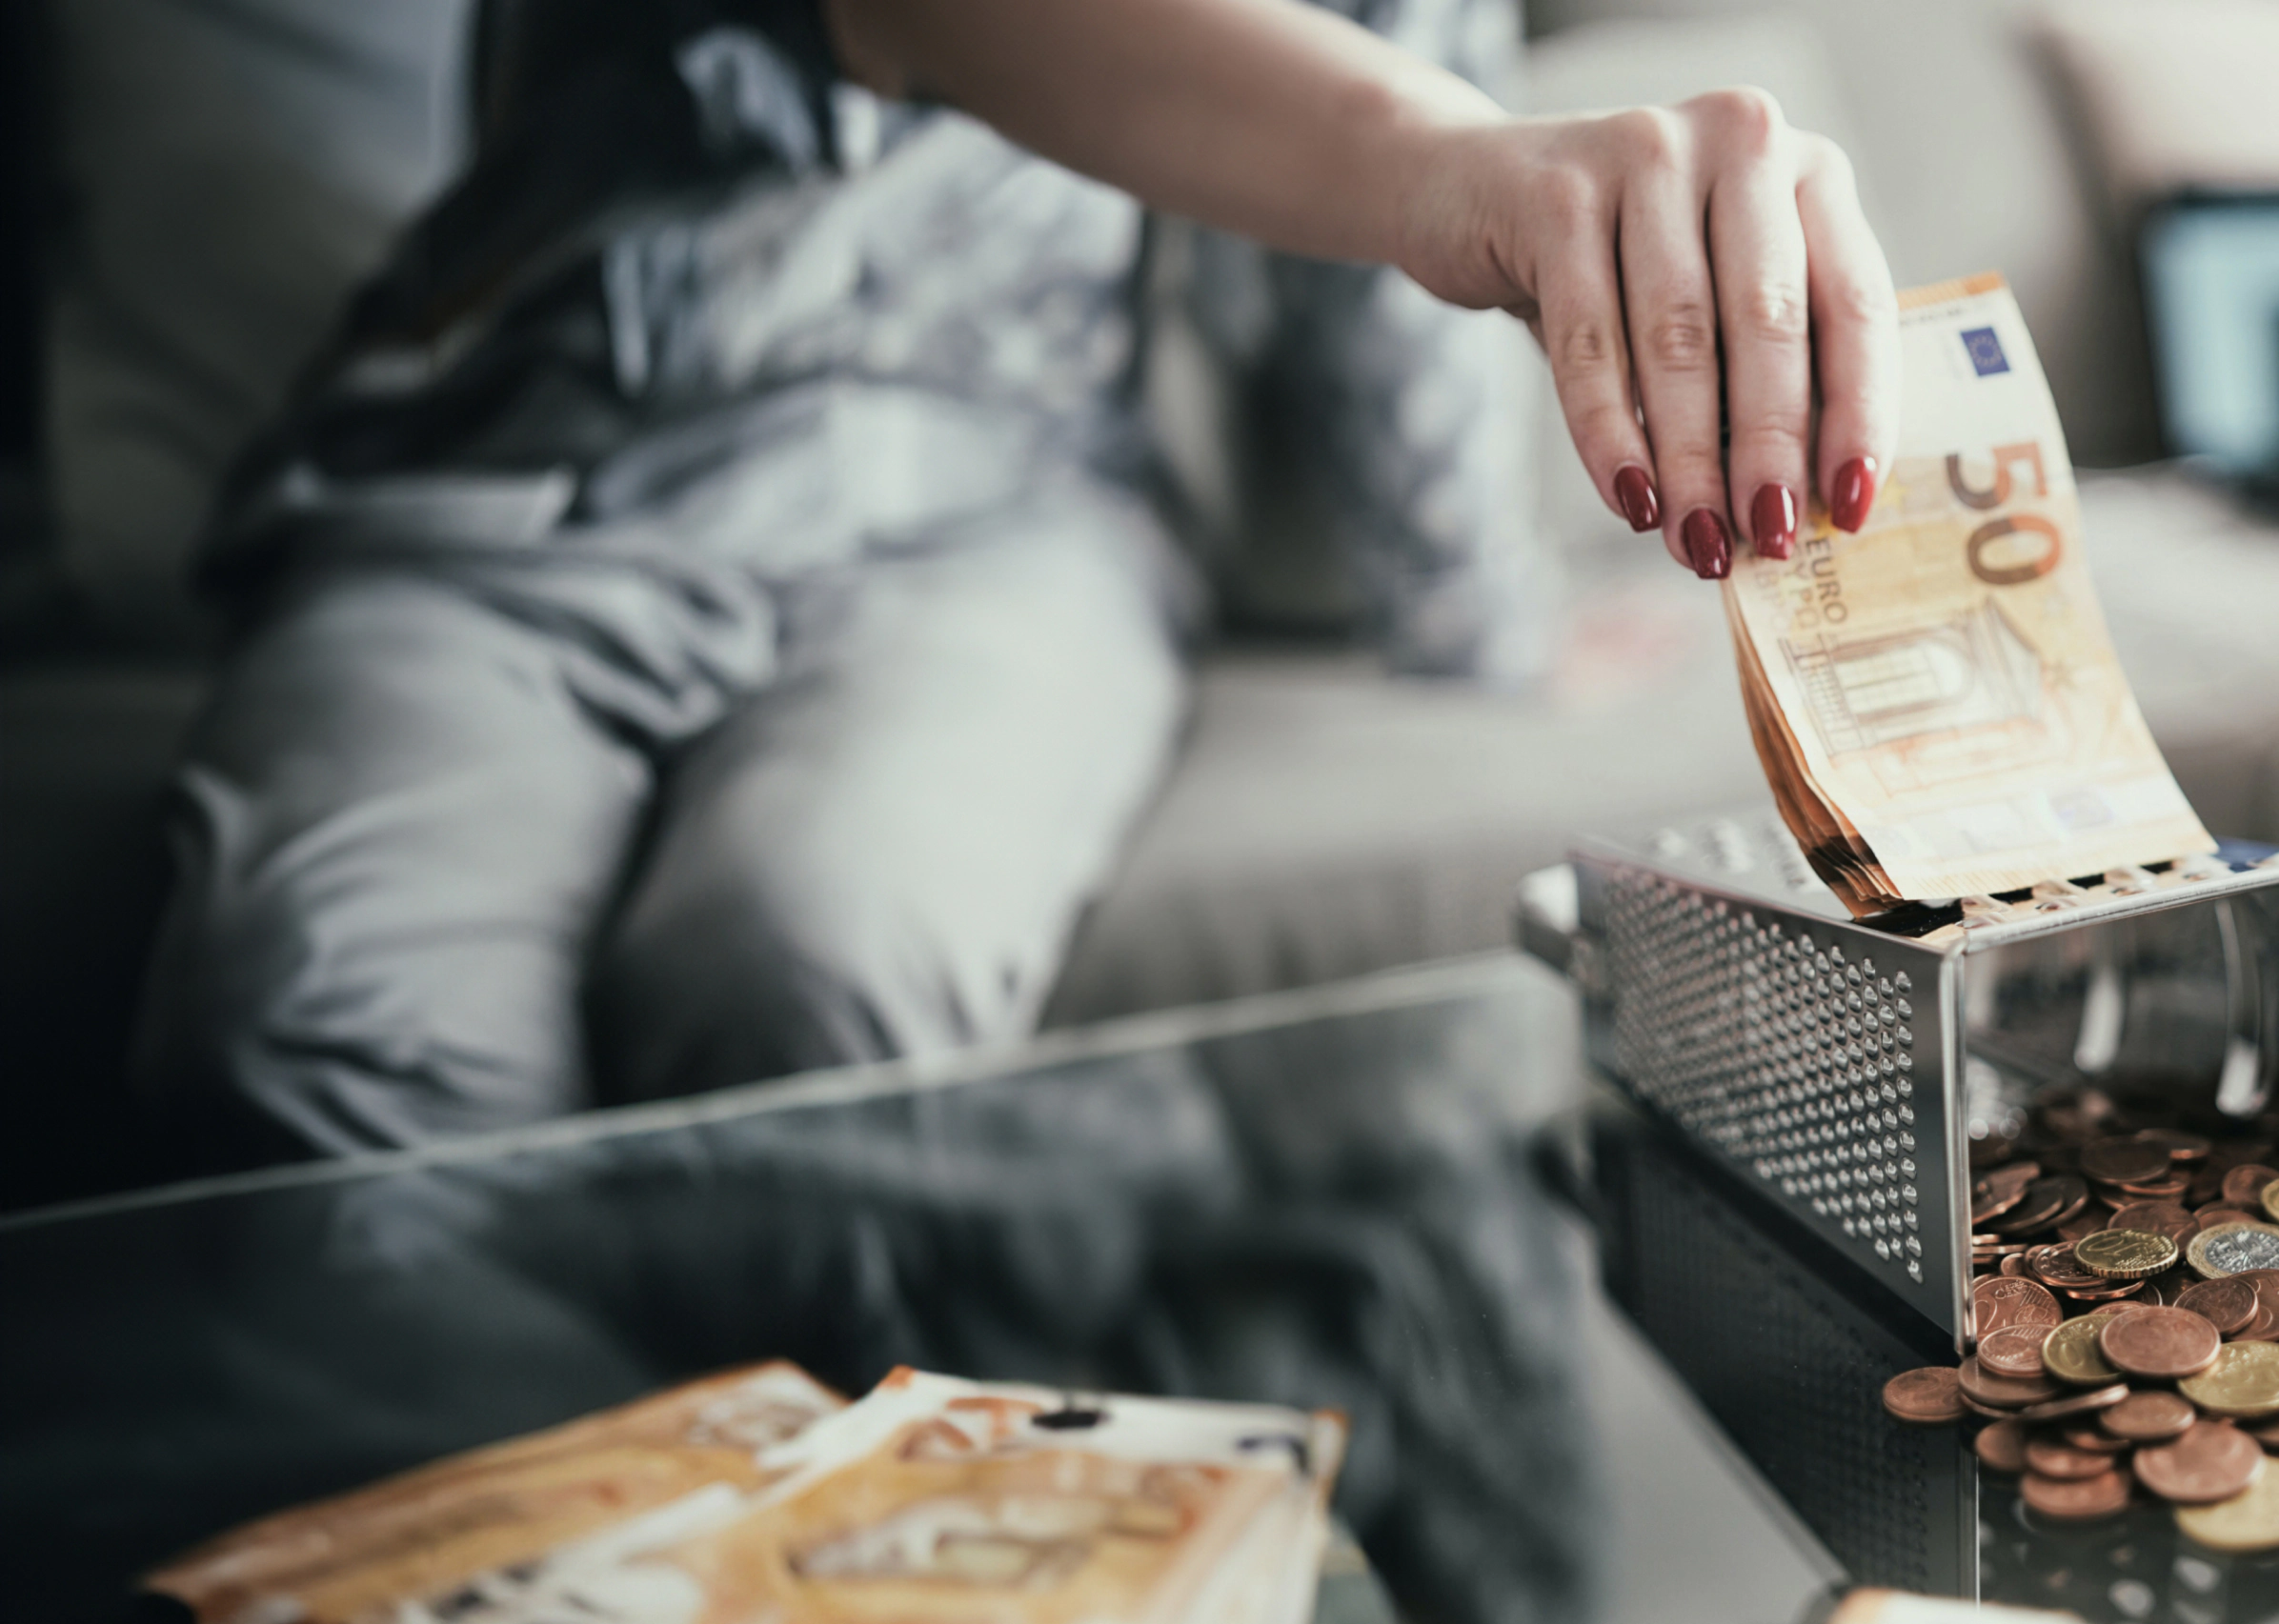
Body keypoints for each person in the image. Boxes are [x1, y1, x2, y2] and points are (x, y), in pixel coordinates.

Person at [127, 0, 1898, 1164]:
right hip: (500, 484)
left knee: (814, 966)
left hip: (1000, 522)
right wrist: (1449, 157)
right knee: (321, 1023)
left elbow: (1403, 304)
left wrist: (1476, 626)